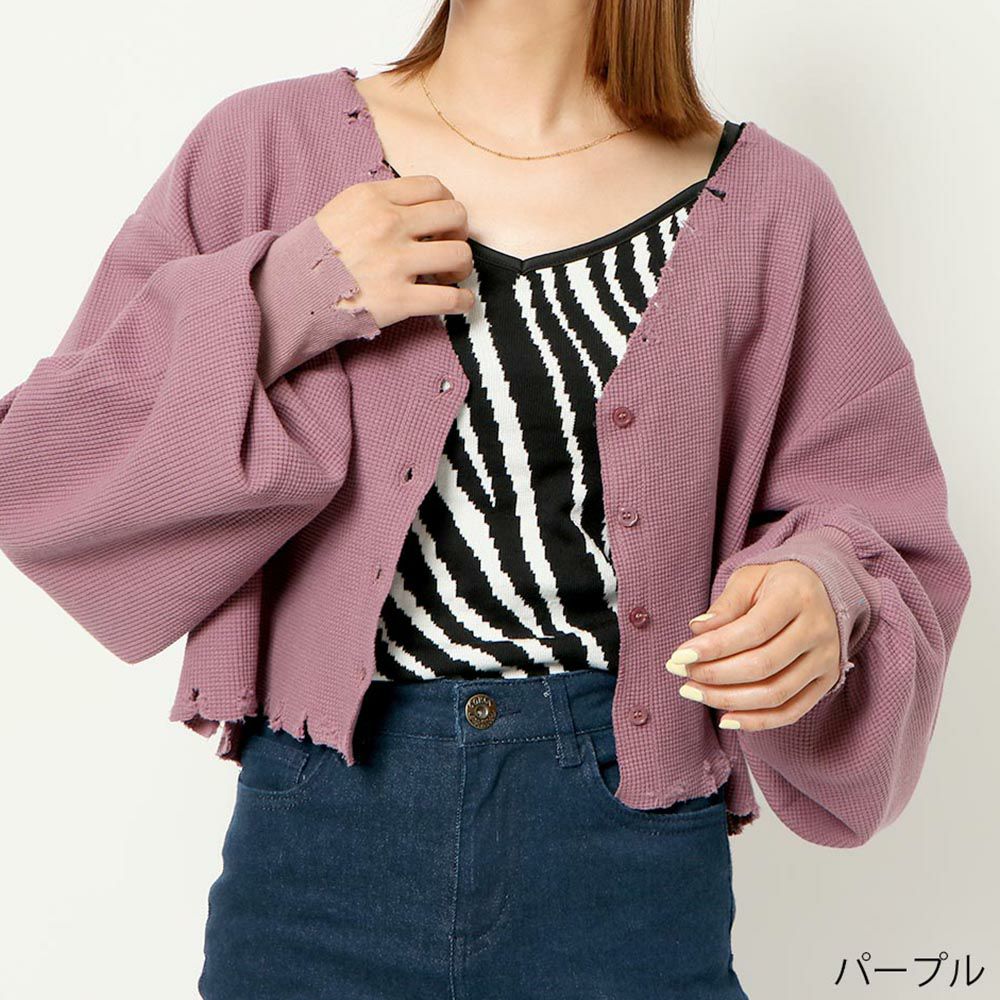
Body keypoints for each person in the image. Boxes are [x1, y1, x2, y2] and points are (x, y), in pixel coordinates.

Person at [0, 2, 972, 998]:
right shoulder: (264, 146)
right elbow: (42, 464)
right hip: (317, 842)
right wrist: (284, 296)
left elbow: (876, 526)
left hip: (627, 864)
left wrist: (820, 588)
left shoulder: (772, 205)